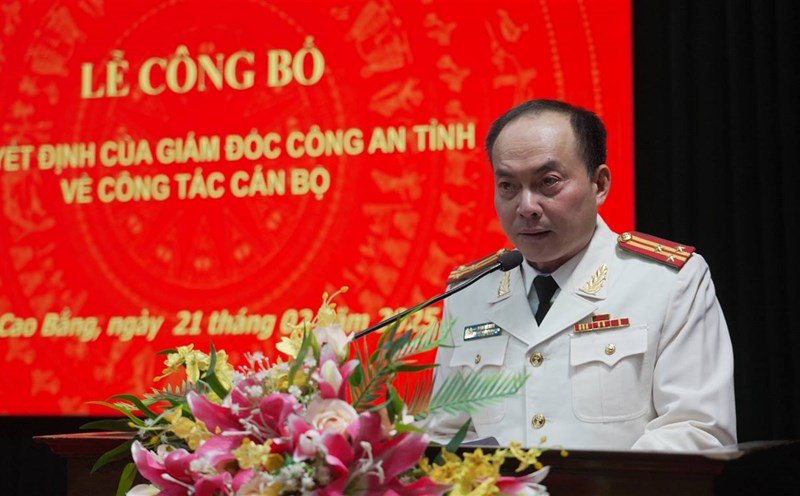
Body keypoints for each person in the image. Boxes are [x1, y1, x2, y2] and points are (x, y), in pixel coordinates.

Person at [428, 99, 737, 451]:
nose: (526, 207)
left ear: (599, 184)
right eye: (508, 186)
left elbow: (696, 431)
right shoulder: (468, 294)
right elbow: (446, 436)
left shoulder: (667, 282)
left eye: (548, 182)